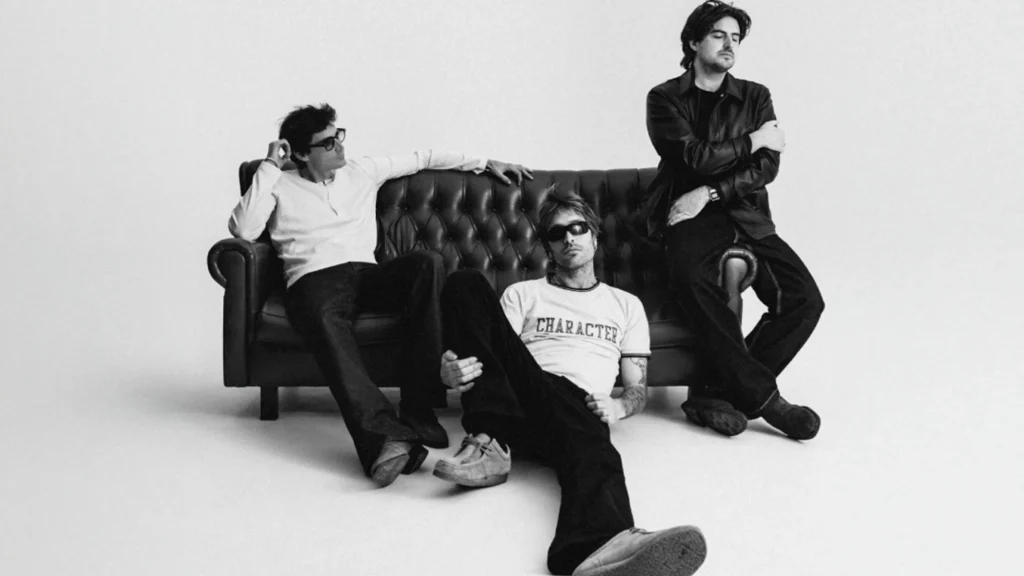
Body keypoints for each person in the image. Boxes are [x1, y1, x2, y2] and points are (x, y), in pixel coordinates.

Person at [227, 103, 532, 487]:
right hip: (313, 280)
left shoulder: (361, 170)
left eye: (339, 135)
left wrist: (486, 163)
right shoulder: (278, 183)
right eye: (327, 142)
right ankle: (386, 441)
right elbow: (243, 229)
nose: (340, 145)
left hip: (367, 275)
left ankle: (419, 410)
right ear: (301, 153)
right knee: (324, 320)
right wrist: (270, 165)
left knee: (427, 263)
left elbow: (425, 156)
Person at [434, 187, 707, 576]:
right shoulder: (524, 294)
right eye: (557, 233)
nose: (569, 238)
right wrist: (449, 371)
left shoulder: (626, 305)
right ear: (548, 246)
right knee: (465, 282)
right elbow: (492, 356)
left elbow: (636, 389)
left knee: (591, 441)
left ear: (594, 236)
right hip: (522, 398)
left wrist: (619, 405)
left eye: (578, 228)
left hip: (578, 413)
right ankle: (489, 443)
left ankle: (584, 556)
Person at [642, 1, 824, 440]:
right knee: (691, 278)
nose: (729, 45)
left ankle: (715, 391)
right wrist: (755, 138)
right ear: (693, 42)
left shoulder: (755, 96)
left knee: (804, 300)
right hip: (687, 216)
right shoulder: (664, 98)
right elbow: (693, 157)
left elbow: (767, 167)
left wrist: (711, 192)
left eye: (736, 38)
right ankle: (767, 400)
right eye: (718, 35)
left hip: (744, 211)